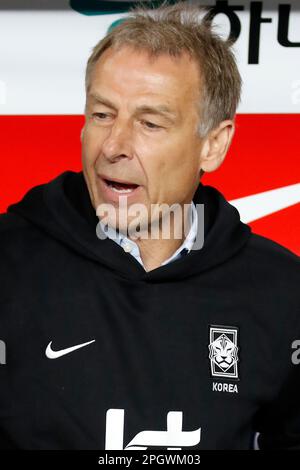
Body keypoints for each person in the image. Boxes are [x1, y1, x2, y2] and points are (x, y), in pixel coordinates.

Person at [0, 2, 299, 450]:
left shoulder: (283, 291)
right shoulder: (8, 263)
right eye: (102, 114)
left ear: (213, 146)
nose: (114, 146)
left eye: (150, 123)